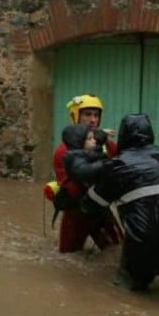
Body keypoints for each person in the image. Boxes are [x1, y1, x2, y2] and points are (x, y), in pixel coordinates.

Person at [65, 112, 159, 294]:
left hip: (143, 238)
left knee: (129, 292)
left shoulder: (118, 164)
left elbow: (93, 204)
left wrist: (77, 200)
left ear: (124, 135)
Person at [51, 94, 123, 253]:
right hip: (76, 213)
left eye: (96, 115)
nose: (93, 120)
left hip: (101, 211)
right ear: (75, 116)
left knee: (118, 252)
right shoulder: (62, 152)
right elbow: (73, 186)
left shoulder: (108, 145)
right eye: (87, 114)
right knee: (67, 259)